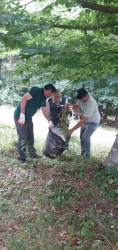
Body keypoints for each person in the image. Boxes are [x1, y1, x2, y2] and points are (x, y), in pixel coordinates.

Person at [14, 84, 56, 162]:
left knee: (30, 137)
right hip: (20, 116)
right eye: (51, 94)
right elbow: (23, 99)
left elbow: (44, 111)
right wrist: (22, 114)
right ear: (49, 91)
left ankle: (33, 154)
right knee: (23, 137)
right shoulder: (36, 90)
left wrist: (49, 121)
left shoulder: (44, 99)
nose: (50, 96)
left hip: (29, 118)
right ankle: (21, 158)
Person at [68, 88, 100, 158]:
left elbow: (83, 120)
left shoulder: (91, 103)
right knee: (81, 137)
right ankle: (83, 153)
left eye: (81, 99)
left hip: (93, 122)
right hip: (86, 121)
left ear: (86, 96)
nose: (80, 100)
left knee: (85, 137)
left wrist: (71, 130)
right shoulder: (81, 99)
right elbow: (77, 106)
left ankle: (87, 155)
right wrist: (69, 107)